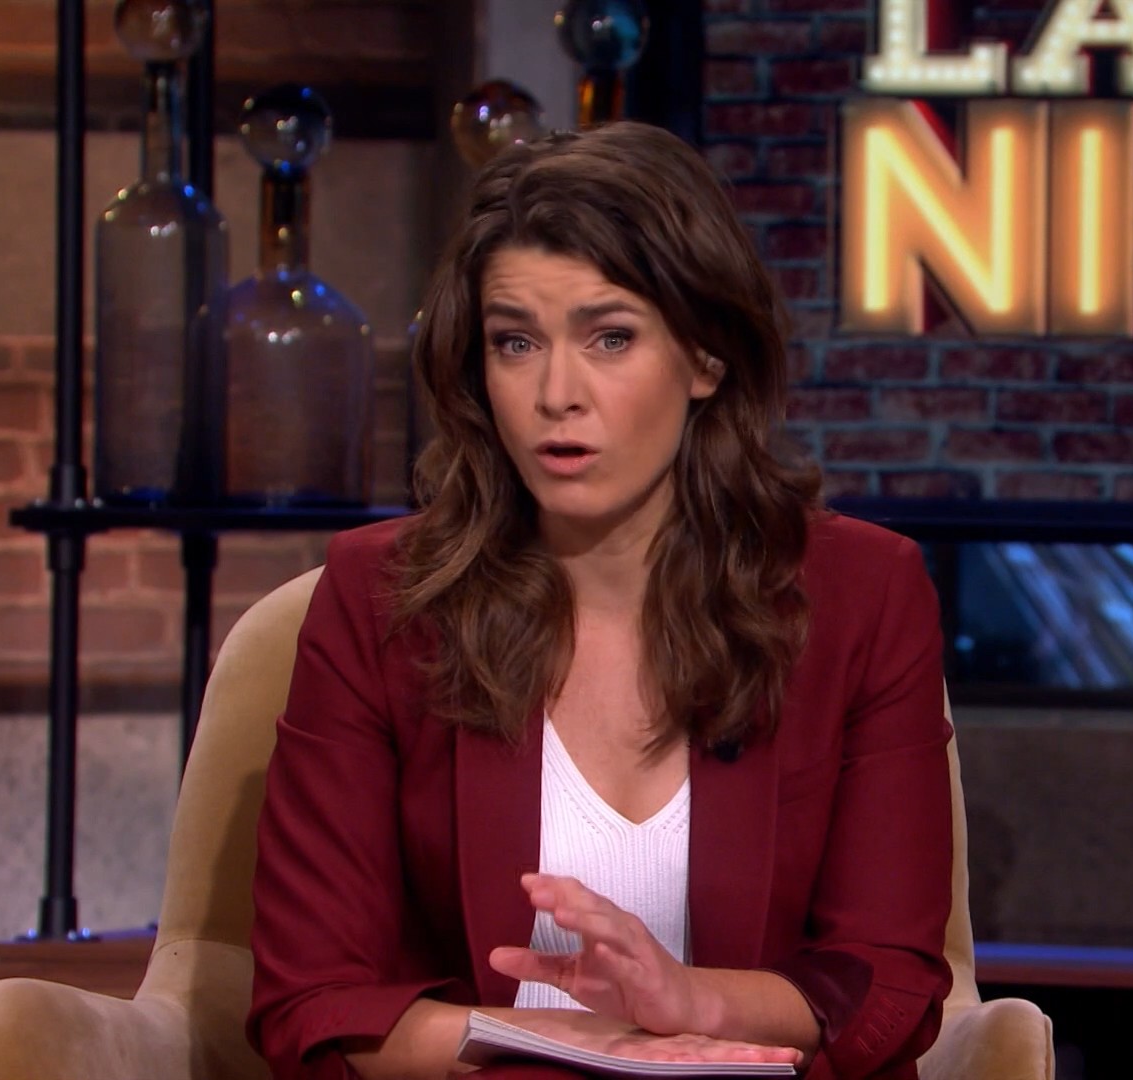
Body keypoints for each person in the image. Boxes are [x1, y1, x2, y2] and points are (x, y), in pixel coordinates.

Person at [246, 121, 954, 1080]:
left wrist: (689, 1002)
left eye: (610, 337)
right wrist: (573, 1046)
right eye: (515, 342)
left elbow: (885, 982)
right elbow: (313, 1001)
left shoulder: (861, 597)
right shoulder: (383, 603)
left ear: (706, 358)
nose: (556, 394)